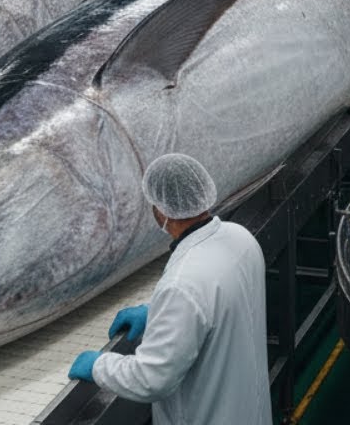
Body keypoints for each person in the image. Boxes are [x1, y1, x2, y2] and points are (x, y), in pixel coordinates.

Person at [68, 154, 272, 425]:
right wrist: (157, 312)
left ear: (162, 211)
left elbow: (151, 379)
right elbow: (217, 301)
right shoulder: (239, 236)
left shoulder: (181, 285)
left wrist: (98, 365)